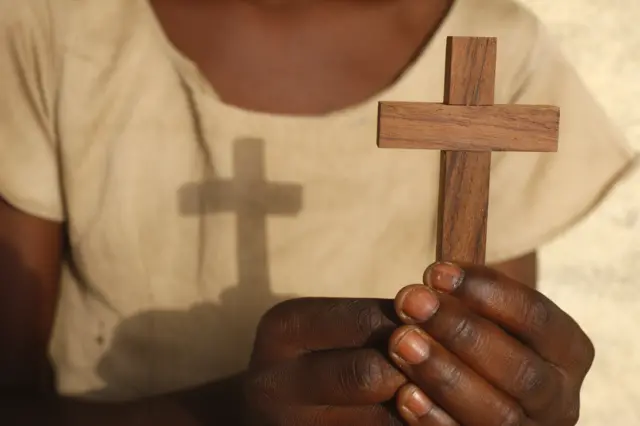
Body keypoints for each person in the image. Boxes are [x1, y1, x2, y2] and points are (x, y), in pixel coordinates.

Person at [0, 0, 635, 424]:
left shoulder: (500, 48)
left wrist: (506, 399)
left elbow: (484, 361)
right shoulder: (56, 26)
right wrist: (234, 413)